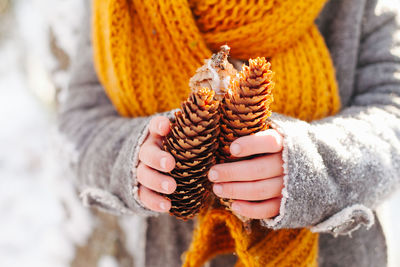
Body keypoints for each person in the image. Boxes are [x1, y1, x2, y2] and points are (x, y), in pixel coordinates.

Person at [59, 0, 400, 266]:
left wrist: (314, 168)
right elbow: (81, 124)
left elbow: (392, 115)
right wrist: (134, 159)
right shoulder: (121, 9)